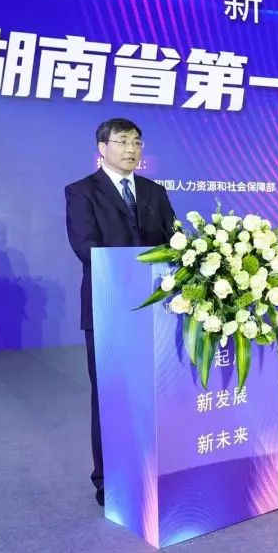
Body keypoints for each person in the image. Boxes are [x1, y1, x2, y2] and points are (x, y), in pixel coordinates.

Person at [64, 118, 177, 506]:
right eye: (123, 141)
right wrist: (137, 270)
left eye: (137, 142)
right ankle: (107, 479)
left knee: (155, 393)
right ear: (102, 148)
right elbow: (86, 247)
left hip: (157, 309)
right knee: (110, 396)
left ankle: (154, 468)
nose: (132, 149)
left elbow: (175, 240)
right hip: (108, 307)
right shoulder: (82, 192)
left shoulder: (154, 192)